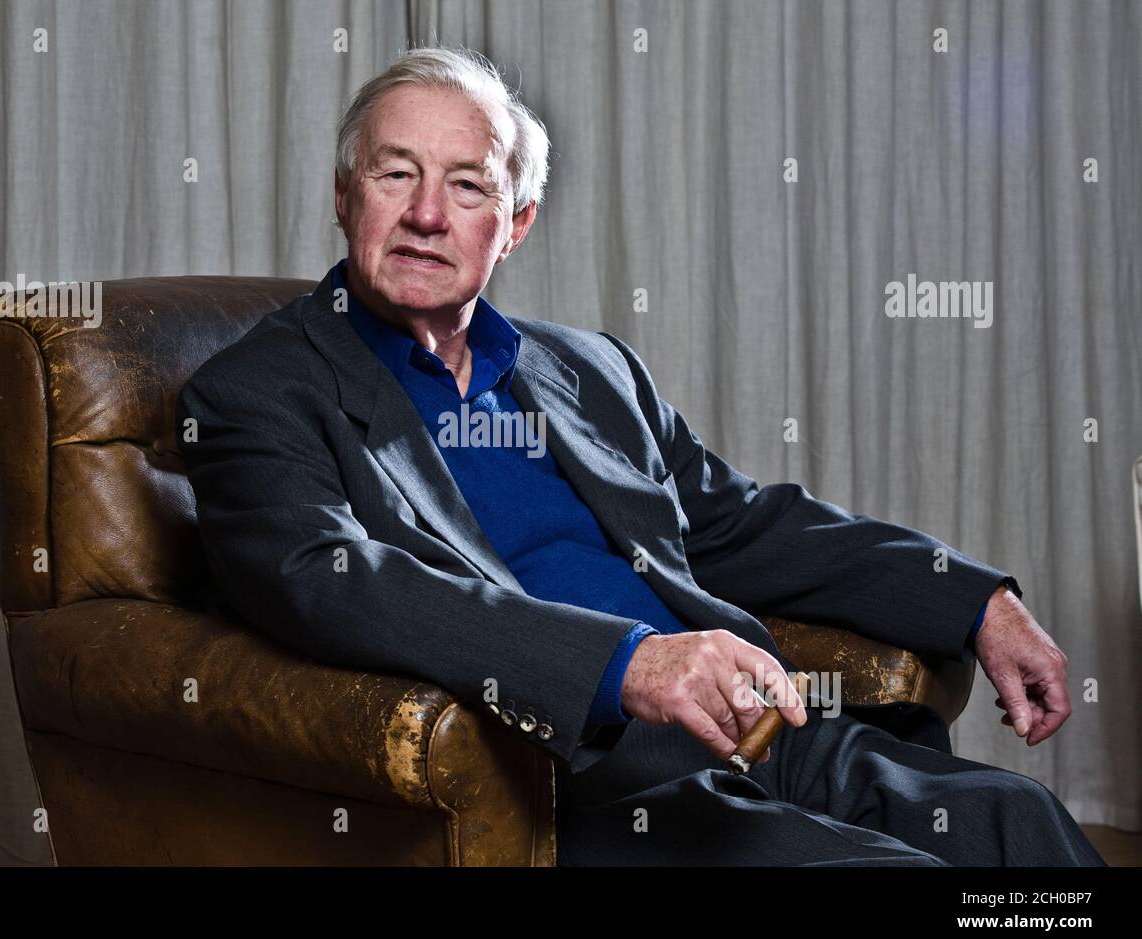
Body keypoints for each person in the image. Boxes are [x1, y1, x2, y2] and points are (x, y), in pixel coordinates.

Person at [176, 46, 1104, 866]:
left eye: (468, 186)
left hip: (762, 735)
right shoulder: (257, 392)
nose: (427, 214)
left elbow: (740, 524)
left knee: (1018, 824)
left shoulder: (592, 369)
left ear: (517, 223)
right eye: (394, 175)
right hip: (584, 781)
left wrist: (972, 597)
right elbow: (332, 582)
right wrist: (629, 665)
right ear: (344, 195)